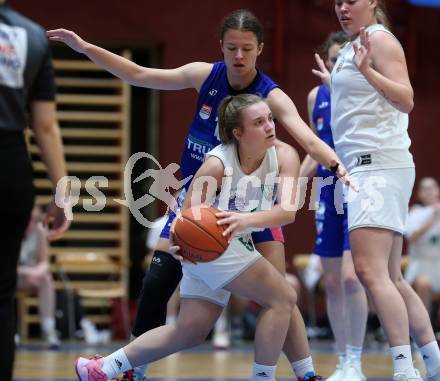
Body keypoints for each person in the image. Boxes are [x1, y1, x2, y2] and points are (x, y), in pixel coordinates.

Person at [47, 10, 352, 381]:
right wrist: (85, 48)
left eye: (246, 49)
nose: (238, 56)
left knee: (277, 292)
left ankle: (305, 373)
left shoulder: (271, 98)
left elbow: (306, 139)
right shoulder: (206, 79)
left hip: (251, 207)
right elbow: (138, 75)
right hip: (202, 205)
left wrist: (337, 167)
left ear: (260, 49)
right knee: (160, 283)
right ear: (221, 47)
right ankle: (128, 368)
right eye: (231, 48)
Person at [74, 93, 309, 381]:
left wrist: (242, 220)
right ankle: (263, 377)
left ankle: (102, 367)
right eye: (259, 122)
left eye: (270, 119)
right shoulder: (217, 164)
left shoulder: (285, 155)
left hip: (230, 242)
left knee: (190, 331)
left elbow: (287, 211)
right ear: (238, 132)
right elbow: (186, 217)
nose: (270, 126)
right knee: (282, 297)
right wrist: (179, 243)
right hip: (212, 246)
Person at [311, 1, 440, 380]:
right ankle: (432, 360)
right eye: (338, 2)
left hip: (378, 167)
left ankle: (404, 368)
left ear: (373, 3)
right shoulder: (354, 45)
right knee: (390, 277)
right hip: (372, 166)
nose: (343, 8)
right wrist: (339, 82)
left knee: (368, 271)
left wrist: (366, 71)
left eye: (352, 0)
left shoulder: (380, 41)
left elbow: (406, 99)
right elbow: (365, 105)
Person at [0, 2, 70, 380]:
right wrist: (63, 193)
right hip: (10, 166)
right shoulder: (31, 35)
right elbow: (44, 126)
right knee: (1, 295)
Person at [300, 32, 368, 381]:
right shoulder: (316, 96)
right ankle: (343, 359)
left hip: (358, 185)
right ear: (325, 63)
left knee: (352, 278)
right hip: (328, 190)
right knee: (332, 282)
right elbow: (315, 146)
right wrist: (292, 184)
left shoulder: (363, 92)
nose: (335, 65)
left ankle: (356, 360)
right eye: (331, 59)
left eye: (342, 59)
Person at [17, 206, 61, 349]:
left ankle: (48, 329)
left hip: (27, 276)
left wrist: (36, 272)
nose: (31, 224)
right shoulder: (10, 230)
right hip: (11, 277)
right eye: (29, 220)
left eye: (34, 221)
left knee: (46, 279)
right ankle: (10, 330)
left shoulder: (39, 231)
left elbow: (44, 262)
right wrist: (27, 272)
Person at [405, 177, 440, 324]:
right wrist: (433, 218)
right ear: (419, 193)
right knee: (423, 283)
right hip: (420, 264)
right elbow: (412, 237)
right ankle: (425, 328)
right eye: (424, 188)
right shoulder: (415, 212)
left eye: (432, 187)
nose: (429, 191)